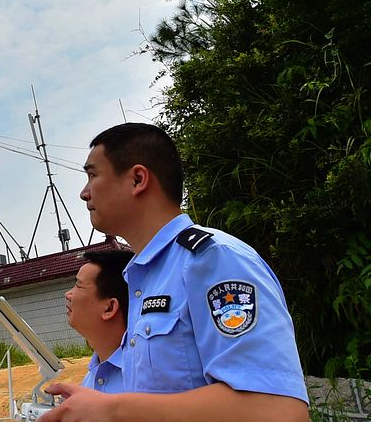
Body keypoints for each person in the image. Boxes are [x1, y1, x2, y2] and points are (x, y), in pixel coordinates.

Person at [43, 123, 308, 422]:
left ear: (137, 179)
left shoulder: (212, 259)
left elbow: (279, 410)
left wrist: (112, 409)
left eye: (93, 175)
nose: (84, 193)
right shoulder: (144, 277)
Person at [65, 248, 133, 394]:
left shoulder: (140, 380)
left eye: (78, 285)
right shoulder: (91, 377)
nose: (68, 294)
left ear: (109, 308)